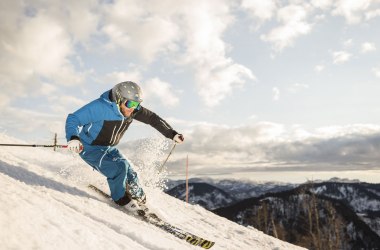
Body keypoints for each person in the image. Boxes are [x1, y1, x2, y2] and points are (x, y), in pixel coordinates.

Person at [65, 81, 184, 214]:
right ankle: (121, 199)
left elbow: (152, 118)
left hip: (108, 148)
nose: (133, 108)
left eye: (137, 104)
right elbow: (73, 119)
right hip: (90, 148)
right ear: (118, 99)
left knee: (131, 173)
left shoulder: (132, 110)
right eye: (130, 104)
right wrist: (73, 138)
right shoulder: (99, 107)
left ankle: (139, 198)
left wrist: (172, 134)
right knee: (120, 168)